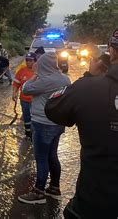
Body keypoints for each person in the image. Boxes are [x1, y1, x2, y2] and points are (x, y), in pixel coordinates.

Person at [44, 30, 118, 218]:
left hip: (94, 203)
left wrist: (89, 77)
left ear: (112, 52)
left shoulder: (88, 88)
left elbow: (53, 107)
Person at [17, 52, 71, 204]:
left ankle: (39, 191)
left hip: (43, 123)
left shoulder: (44, 81)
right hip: (58, 123)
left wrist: (34, 75)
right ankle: (54, 188)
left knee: (41, 158)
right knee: (52, 156)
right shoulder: (64, 79)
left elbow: (26, 89)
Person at [12, 52, 36, 139]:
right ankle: (28, 132)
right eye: (27, 60)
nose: (28, 62)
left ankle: (35, 134)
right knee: (26, 116)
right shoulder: (21, 71)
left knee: (35, 117)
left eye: (31, 60)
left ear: (35, 61)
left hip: (36, 101)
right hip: (24, 100)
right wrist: (14, 93)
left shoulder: (39, 71)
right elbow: (16, 83)